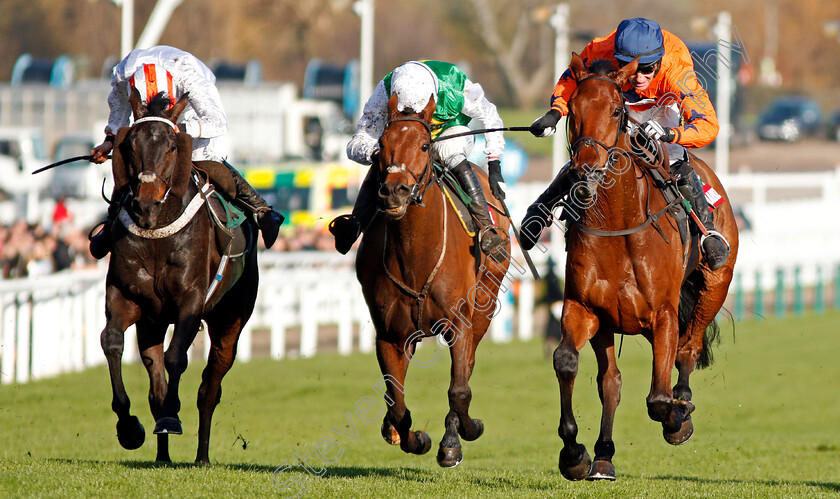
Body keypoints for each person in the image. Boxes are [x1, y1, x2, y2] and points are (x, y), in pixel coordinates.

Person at [523, 18, 730, 270]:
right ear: (616, 57)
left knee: (673, 156)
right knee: (593, 151)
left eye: (648, 69)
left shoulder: (677, 69)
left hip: (662, 104)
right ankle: (541, 207)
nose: (640, 77)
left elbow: (709, 125)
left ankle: (708, 230)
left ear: (660, 61)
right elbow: (571, 80)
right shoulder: (599, 49)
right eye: (632, 68)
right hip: (618, 101)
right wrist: (555, 113)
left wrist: (670, 134)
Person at [88, 45, 284, 259]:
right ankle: (111, 221)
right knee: (131, 155)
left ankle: (262, 211)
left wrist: (180, 131)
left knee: (203, 160)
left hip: (187, 113)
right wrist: (109, 141)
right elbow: (119, 110)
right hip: (148, 121)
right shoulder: (123, 74)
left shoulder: (188, 75)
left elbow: (218, 123)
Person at [329, 60, 508, 255]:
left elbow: (491, 116)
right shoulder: (383, 92)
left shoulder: (455, 85)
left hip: (448, 130)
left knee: (451, 153)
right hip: (404, 140)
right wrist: (378, 153)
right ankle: (355, 224)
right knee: (387, 155)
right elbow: (355, 144)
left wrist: (494, 165)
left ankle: (486, 227)